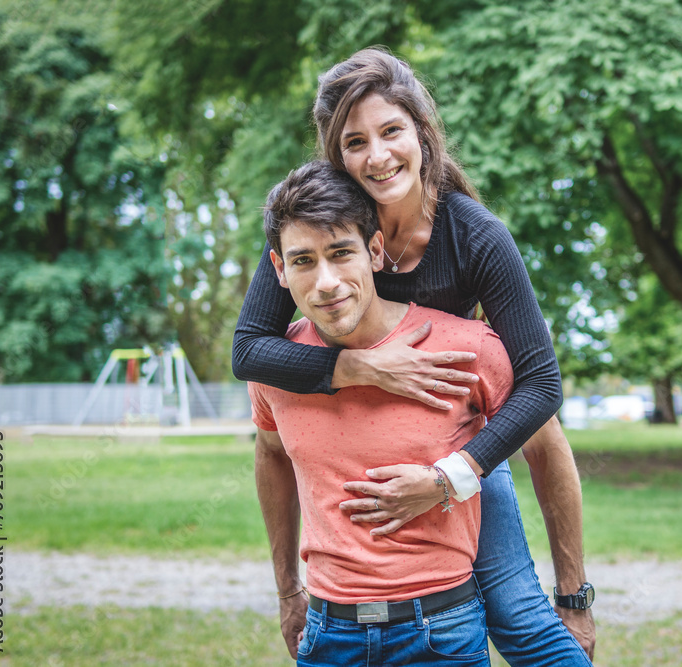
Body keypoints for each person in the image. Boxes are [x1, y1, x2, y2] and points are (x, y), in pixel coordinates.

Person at [234, 48, 595, 664]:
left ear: (423, 132)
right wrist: (359, 368)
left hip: (459, 444)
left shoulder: (474, 235)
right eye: (354, 142)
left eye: (391, 131)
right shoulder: (324, 226)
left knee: (516, 614)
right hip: (357, 439)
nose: (377, 156)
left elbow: (542, 386)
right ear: (335, 154)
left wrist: (452, 478)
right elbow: (248, 350)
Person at [251, 161, 511, 664]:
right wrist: (287, 590)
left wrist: (574, 594)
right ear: (279, 269)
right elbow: (271, 456)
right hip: (328, 634)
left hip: (443, 630)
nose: (326, 283)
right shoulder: (274, 366)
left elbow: (544, 439)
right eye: (303, 261)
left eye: (341, 253)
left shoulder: (467, 348)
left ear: (374, 251)